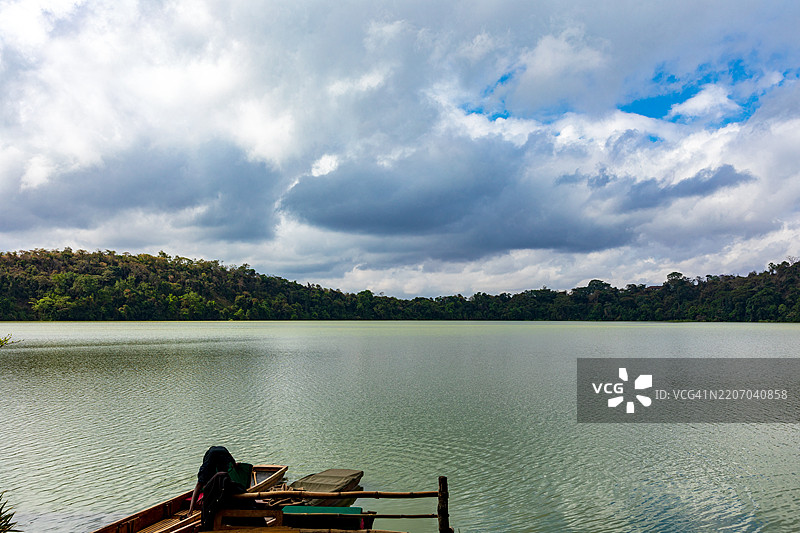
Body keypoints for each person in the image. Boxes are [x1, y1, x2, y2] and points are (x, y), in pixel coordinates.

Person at [187, 446, 238, 517]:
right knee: (219, 480)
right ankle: (192, 509)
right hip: (215, 461)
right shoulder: (224, 455)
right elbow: (232, 461)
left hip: (212, 461)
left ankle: (190, 511)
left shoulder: (211, 456)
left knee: (199, 484)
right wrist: (235, 465)